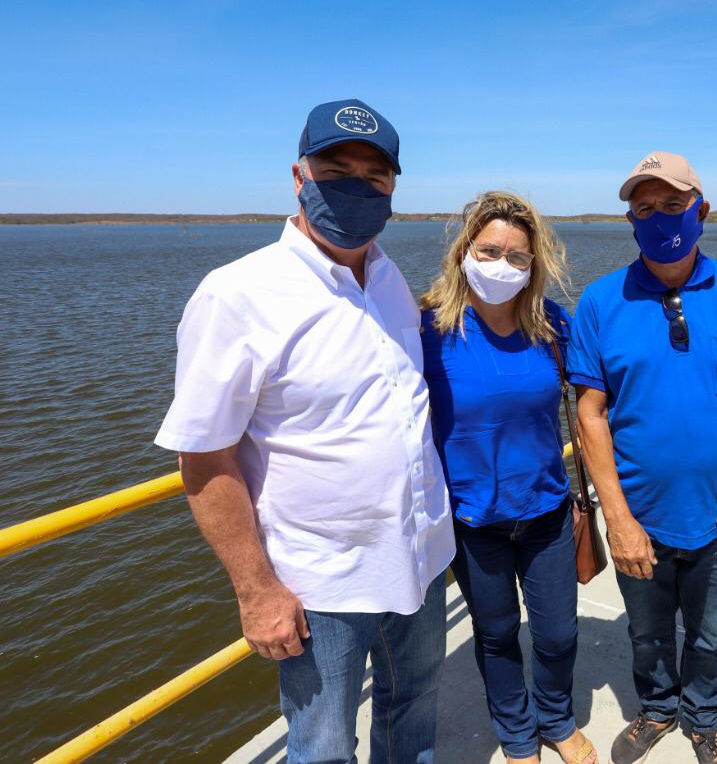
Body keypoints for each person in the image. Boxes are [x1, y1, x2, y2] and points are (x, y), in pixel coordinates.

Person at [155, 100, 454, 764]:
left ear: (393, 188)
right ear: (299, 176)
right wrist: (257, 589)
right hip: (323, 585)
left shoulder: (389, 277)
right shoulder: (237, 294)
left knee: (415, 716)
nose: (357, 187)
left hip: (422, 558)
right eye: (336, 170)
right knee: (322, 746)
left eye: (374, 176)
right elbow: (203, 457)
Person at [567, 152, 717, 764]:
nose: (660, 216)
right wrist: (618, 518)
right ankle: (658, 707)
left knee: (713, 632)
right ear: (630, 220)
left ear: (701, 210)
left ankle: (704, 718)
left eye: (673, 204)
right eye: (645, 208)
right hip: (641, 511)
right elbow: (589, 413)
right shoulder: (600, 302)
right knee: (647, 630)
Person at [419, 191, 597, 764]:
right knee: (495, 635)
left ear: (533, 264)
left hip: (546, 513)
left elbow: (597, 399)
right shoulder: (427, 328)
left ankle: (557, 719)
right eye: (489, 251)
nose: (502, 265)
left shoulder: (552, 325)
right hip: (473, 522)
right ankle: (518, 734)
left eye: (517, 256)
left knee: (558, 634)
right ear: (464, 252)